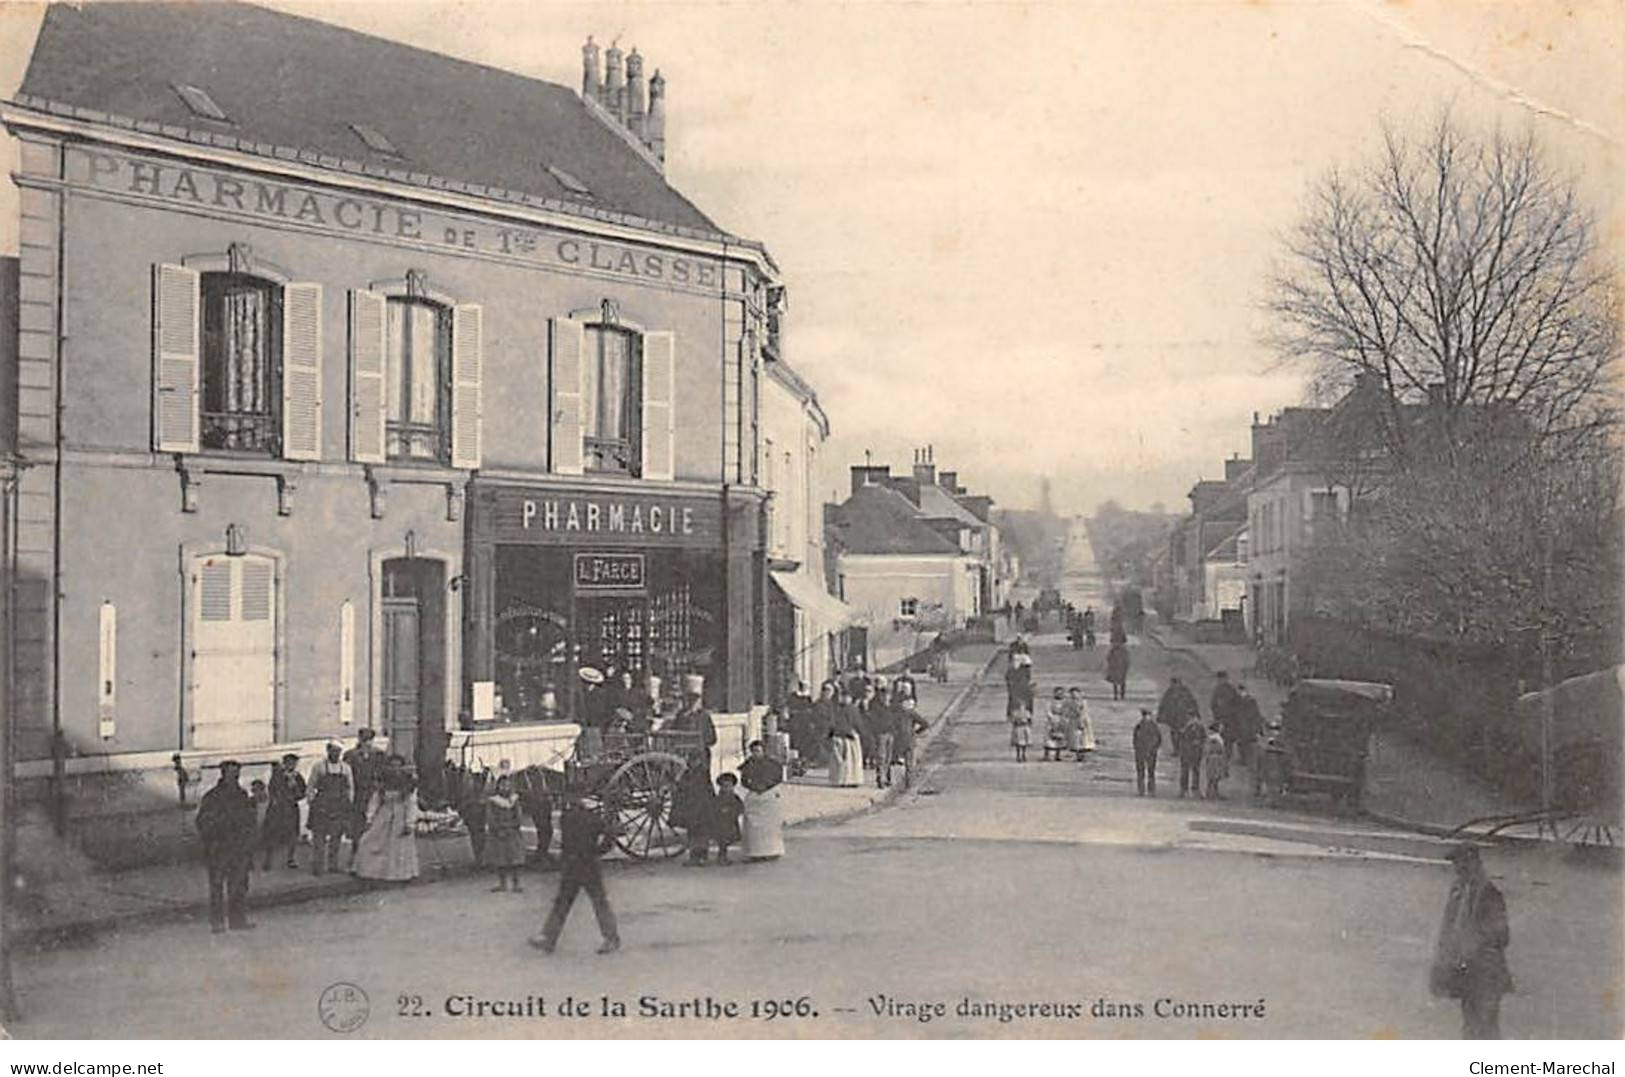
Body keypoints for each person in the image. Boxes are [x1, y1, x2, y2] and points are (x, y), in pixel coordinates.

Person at [1431, 844, 1513, 1038]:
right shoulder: (1458, 891)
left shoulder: (1489, 894)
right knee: (1470, 1025)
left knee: (1485, 1029)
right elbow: (1448, 930)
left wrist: (1473, 947)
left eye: (1462, 866)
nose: (1458, 871)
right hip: (1466, 971)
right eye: (1457, 866)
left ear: (1475, 864)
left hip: (1485, 972)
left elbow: (1501, 936)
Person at [530, 795, 621, 955]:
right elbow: (610, 836)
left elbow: (566, 843)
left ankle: (549, 939)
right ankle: (611, 938)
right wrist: (598, 852)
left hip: (573, 865)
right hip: (588, 864)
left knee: (564, 903)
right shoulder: (593, 818)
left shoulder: (567, 818)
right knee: (598, 902)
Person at [195, 760, 258, 933]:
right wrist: (215, 835)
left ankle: (237, 921)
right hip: (219, 848)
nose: (235, 778)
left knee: (238, 886)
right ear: (223, 775)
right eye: (231, 774)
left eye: (237, 775)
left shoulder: (242, 796)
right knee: (217, 887)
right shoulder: (212, 797)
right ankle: (217, 923)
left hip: (238, 848)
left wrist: (249, 844)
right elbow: (202, 822)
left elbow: (250, 823)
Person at [354, 756, 419, 883]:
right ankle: (372, 871)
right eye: (392, 766)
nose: (395, 769)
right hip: (384, 814)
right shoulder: (383, 782)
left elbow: (411, 803)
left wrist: (409, 822)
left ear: (402, 767)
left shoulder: (408, 783)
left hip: (401, 816)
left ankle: (399, 874)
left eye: (398, 766)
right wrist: (370, 818)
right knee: (370, 840)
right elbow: (375, 801)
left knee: (399, 847)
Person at [305, 742, 352, 876]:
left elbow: (350, 787)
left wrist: (349, 802)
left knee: (336, 836)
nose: (335, 754)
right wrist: (312, 802)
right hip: (322, 804)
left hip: (339, 804)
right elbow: (310, 786)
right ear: (327, 751)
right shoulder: (319, 767)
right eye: (333, 751)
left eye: (338, 751)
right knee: (319, 837)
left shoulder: (346, 768)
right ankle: (318, 866)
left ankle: (333, 864)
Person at [342, 728, 384, 871]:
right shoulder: (350, 755)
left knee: (374, 826)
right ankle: (355, 857)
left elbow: (382, 773)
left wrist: (378, 786)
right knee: (357, 827)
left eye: (369, 740)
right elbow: (346, 775)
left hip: (372, 794)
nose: (367, 743)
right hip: (357, 794)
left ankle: (371, 860)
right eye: (364, 739)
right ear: (359, 739)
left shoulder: (378, 754)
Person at [739, 740, 786, 860]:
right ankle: (754, 853)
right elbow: (743, 780)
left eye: (758, 751)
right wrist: (753, 787)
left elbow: (778, 777)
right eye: (753, 751)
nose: (756, 754)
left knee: (770, 825)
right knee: (751, 825)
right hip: (754, 795)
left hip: (768, 795)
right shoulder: (748, 764)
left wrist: (766, 786)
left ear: (763, 751)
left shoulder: (773, 764)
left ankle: (772, 850)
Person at [261, 752, 306, 870]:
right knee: (271, 834)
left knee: (292, 834)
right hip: (278, 808)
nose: (291, 765)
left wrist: (296, 792)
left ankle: (290, 859)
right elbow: (272, 790)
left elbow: (303, 792)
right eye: (289, 763)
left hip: (291, 808)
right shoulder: (277, 775)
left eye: (294, 763)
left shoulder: (297, 777)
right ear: (285, 763)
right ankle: (267, 860)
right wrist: (276, 800)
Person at [484, 774, 526, 892]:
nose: (505, 787)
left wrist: (513, 826)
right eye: (502, 785)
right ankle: (502, 884)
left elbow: (518, 816)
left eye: (507, 785)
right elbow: (490, 817)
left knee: (515, 859)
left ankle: (516, 884)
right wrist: (498, 829)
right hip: (499, 833)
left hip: (512, 832)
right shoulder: (493, 801)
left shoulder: (514, 800)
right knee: (500, 860)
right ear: (498, 786)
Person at [669, 675, 718, 771]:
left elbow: (712, 738)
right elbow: (673, 734)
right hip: (683, 755)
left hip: (701, 756)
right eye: (689, 698)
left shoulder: (704, 716)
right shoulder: (681, 715)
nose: (692, 702)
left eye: (695, 699)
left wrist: (701, 742)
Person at [673, 762, 718, 866]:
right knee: (692, 832)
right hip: (692, 807)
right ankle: (694, 857)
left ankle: (703, 857)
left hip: (702, 807)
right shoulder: (687, 773)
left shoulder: (702, 773)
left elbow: (701, 788)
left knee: (702, 832)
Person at [827, 686, 865, 788]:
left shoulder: (852, 709)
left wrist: (858, 732)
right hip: (841, 737)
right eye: (843, 696)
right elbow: (834, 723)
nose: (844, 699)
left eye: (846, 697)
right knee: (842, 760)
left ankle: (852, 780)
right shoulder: (838, 709)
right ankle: (842, 780)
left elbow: (858, 723)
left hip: (850, 738)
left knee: (851, 760)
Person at [890, 697, 928, 790]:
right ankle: (908, 784)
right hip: (909, 740)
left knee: (895, 762)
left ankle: (895, 781)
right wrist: (916, 732)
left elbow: (892, 725)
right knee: (909, 763)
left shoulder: (897, 714)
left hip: (899, 740)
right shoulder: (912, 714)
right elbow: (925, 724)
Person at [1157, 676, 1200, 747]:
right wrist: (1160, 714)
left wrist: (1195, 712)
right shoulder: (1169, 692)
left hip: (1183, 716)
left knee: (1183, 732)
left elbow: (1192, 702)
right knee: (1174, 733)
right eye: (1173, 684)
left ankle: (1182, 747)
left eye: (1176, 683)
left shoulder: (1185, 692)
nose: (1174, 685)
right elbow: (1163, 703)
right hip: (1172, 717)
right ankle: (1176, 748)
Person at [1210, 671, 1243, 761]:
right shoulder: (1217, 690)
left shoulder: (1231, 689)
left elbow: (1238, 703)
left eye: (1223, 679)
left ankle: (1228, 755)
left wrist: (1235, 714)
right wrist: (1216, 715)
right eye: (1220, 679)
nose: (1221, 681)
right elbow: (1213, 705)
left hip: (1231, 718)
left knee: (1230, 738)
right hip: (1221, 718)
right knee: (1222, 737)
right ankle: (1224, 755)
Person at [713, 773, 744, 865]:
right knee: (722, 840)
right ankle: (722, 857)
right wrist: (720, 811)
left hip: (731, 823)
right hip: (720, 823)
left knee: (727, 840)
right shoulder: (718, 798)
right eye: (724, 786)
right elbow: (714, 807)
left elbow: (740, 807)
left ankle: (723, 856)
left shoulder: (735, 797)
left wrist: (732, 811)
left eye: (729, 786)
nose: (726, 788)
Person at [1132, 709, 1161, 796]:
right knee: (1142, 771)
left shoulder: (1152, 726)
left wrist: (1154, 748)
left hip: (1149, 752)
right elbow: (1135, 739)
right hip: (1142, 751)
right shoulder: (1139, 726)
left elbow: (1158, 739)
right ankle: (1142, 790)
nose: (1146, 717)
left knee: (1150, 771)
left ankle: (1150, 790)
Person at [1177, 715, 1207, 798]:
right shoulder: (1186, 728)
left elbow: (1204, 738)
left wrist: (1200, 744)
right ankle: (1185, 789)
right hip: (1188, 751)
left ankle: (1192, 789)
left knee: (1194, 770)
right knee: (1187, 770)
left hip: (1194, 752)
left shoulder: (1198, 727)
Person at [1067, 686, 1096, 759]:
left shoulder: (1083, 702)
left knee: (1084, 737)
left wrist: (1082, 721)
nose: (1074, 696)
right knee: (1075, 737)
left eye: (1075, 694)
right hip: (1074, 721)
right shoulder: (1070, 702)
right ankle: (1077, 753)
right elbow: (1068, 712)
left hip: (1083, 720)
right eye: (1072, 694)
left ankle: (1083, 752)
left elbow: (1083, 712)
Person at [1202, 723, 1229, 799]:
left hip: (1215, 758)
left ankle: (1213, 793)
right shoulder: (1214, 738)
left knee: (1214, 776)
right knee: (1213, 776)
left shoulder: (1215, 737)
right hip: (1215, 759)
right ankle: (1210, 793)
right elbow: (1212, 749)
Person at [1044, 687, 1069, 762]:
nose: (1059, 694)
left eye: (1061, 693)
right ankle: (1047, 754)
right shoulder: (1050, 701)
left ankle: (1058, 755)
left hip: (1061, 719)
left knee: (1060, 737)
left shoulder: (1065, 702)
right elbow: (1047, 710)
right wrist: (1051, 717)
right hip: (1051, 720)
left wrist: (1063, 718)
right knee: (1049, 737)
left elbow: (1066, 711)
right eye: (1057, 693)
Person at [1009, 696, 1033, 763]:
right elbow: (1013, 721)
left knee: (1024, 743)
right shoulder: (1015, 713)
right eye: (1020, 705)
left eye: (1023, 705)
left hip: (1024, 728)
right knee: (1018, 743)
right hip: (1018, 728)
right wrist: (1017, 722)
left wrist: (1028, 724)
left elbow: (1030, 720)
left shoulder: (1027, 712)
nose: (1021, 707)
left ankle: (1024, 754)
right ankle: (1018, 755)